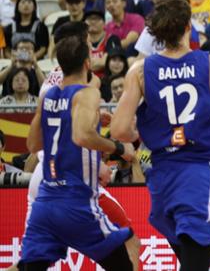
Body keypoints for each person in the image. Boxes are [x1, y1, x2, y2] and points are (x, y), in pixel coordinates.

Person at [110, 0, 210, 270]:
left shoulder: (140, 71)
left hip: (161, 175)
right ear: (188, 27)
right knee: (197, 260)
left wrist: (149, 128)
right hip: (201, 170)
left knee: (191, 258)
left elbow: (120, 130)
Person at [18, 29, 136, 271]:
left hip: (45, 203)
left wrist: (88, 117)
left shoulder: (48, 95)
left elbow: (33, 145)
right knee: (124, 260)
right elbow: (82, 136)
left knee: (28, 268)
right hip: (76, 204)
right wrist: (118, 147)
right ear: (87, 63)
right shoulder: (88, 93)